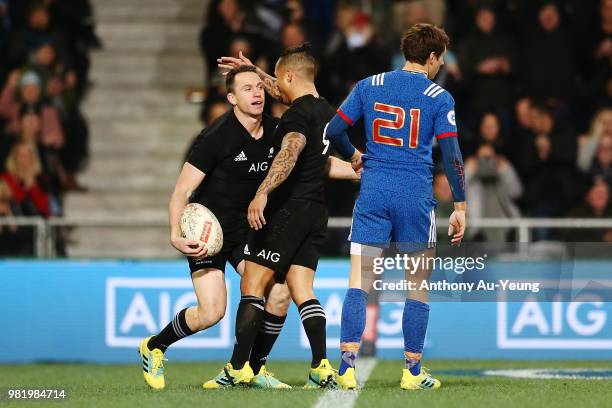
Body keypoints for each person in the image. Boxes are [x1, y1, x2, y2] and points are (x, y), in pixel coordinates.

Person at [325, 23, 467, 390]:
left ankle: (345, 368)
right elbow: (451, 153)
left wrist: (355, 156)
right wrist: (461, 204)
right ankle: (412, 372)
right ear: (432, 56)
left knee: (359, 283)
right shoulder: (439, 96)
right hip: (414, 196)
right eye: (441, 60)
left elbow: (333, 131)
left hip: (373, 191)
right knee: (417, 286)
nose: (441, 67)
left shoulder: (369, 85)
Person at [138, 65, 293, 390]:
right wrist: (174, 235)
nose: (256, 94)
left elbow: (299, 98)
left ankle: (252, 369)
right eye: (247, 89)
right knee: (211, 312)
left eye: (259, 87)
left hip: (247, 229)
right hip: (207, 232)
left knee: (279, 293)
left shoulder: (278, 130)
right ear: (232, 97)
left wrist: (354, 166)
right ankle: (154, 347)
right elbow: (180, 192)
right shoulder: (215, 137)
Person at [212, 44, 358, 389]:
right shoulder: (327, 113)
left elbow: (289, 154)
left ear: (289, 76)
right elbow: (318, 162)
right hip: (316, 211)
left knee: (253, 286)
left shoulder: (296, 116)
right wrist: (256, 70)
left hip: (288, 209)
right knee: (301, 290)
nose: (269, 89)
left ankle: (237, 369)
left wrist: (262, 192)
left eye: (275, 80)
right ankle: (320, 365)